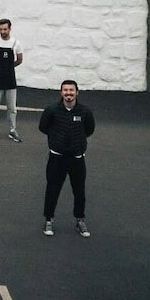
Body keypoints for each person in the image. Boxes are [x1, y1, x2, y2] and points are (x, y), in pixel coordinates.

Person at [39, 80, 95, 238]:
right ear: (61, 92)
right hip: (57, 158)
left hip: (77, 159)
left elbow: (89, 129)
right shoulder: (52, 110)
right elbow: (43, 127)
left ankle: (80, 220)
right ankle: (48, 219)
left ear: (77, 92)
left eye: (71, 90)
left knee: (79, 191)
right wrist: (57, 140)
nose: (68, 93)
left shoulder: (85, 112)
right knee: (52, 189)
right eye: (65, 90)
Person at [0, 18, 25, 141]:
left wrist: (9, 68)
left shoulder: (15, 43)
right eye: (1, 29)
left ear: (9, 29)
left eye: (5, 29)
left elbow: (19, 59)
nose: (3, 31)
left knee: (12, 108)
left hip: (10, 81)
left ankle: (12, 130)